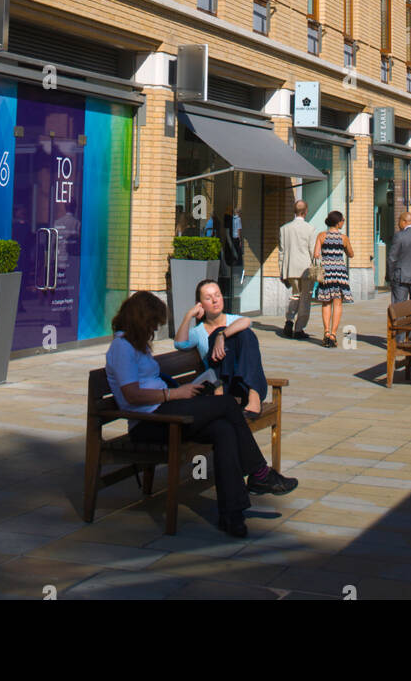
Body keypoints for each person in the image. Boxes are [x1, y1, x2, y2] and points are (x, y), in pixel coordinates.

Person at [105, 292, 297, 539]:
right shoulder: (121, 347)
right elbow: (131, 395)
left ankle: (233, 515)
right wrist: (174, 395)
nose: (154, 329)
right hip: (151, 422)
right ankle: (259, 473)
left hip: (165, 412)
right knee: (227, 405)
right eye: (152, 323)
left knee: (224, 430)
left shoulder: (136, 346)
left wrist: (184, 392)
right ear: (140, 319)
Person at [175, 279, 266, 415]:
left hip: (244, 383)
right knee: (215, 336)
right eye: (208, 298)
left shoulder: (233, 320)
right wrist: (189, 315)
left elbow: (247, 321)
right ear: (200, 304)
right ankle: (229, 394)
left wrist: (221, 336)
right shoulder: (199, 331)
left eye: (217, 295)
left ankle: (254, 394)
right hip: (221, 383)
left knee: (245, 333)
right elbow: (180, 343)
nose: (215, 300)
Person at [312, 210, 354, 346]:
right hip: (339, 273)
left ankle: (326, 332)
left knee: (326, 302)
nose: (343, 223)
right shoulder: (344, 238)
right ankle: (334, 334)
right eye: (342, 220)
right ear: (338, 222)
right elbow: (351, 254)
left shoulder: (321, 236)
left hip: (326, 273)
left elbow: (316, 254)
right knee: (338, 303)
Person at [278, 199, 316, 339]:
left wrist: (282, 270)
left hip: (290, 268)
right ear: (305, 212)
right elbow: (313, 251)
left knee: (295, 294)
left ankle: (289, 320)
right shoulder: (310, 229)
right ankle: (299, 328)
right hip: (306, 267)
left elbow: (281, 252)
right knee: (305, 297)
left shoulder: (284, 229)